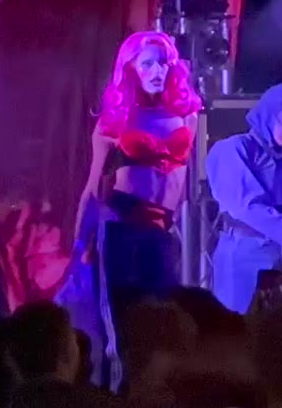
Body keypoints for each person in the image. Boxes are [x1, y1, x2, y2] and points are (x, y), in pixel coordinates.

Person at [69, 30, 202, 387]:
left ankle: (157, 400)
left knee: (164, 323)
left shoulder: (186, 115)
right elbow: (92, 187)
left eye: (163, 63)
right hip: (122, 227)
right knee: (122, 330)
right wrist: (81, 245)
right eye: (148, 64)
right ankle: (118, 400)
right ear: (130, 69)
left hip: (161, 230)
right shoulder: (115, 121)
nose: (158, 70)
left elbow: (183, 178)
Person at [206, 81, 282, 313]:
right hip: (246, 254)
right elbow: (246, 206)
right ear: (269, 115)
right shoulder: (233, 149)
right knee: (240, 326)